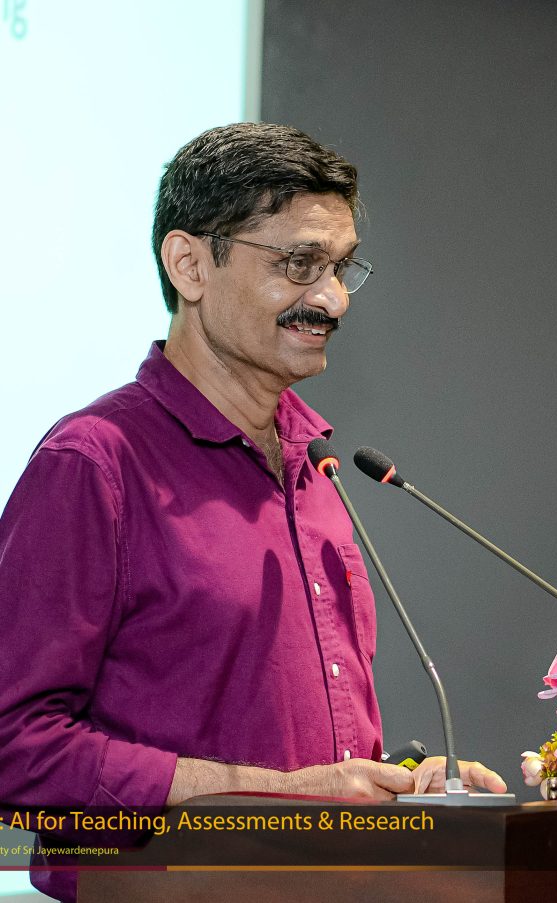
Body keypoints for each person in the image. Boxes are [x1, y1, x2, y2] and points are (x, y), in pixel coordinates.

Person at [0, 123, 506, 900]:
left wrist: (400, 786)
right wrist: (273, 796)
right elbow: (13, 743)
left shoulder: (320, 468)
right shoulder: (95, 464)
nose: (332, 299)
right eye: (299, 263)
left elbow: (299, 758)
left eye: (341, 267)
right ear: (190, 264)